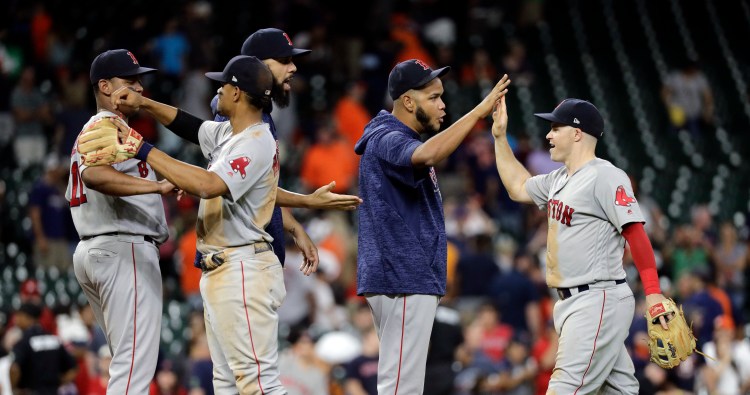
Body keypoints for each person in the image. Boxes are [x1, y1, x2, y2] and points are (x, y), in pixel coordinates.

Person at [109, 54, 288, 394]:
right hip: (225, 268)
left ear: (236, 93)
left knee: (258, 384)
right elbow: (188, 125)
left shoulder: (256, 140)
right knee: (227, 384)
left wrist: (142, 149)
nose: (217, 90)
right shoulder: (230, 133)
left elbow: (207, 185)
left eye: (223, 84)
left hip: (243, 269)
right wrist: (144, 103)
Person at [490, 96, 672, 393]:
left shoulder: (606, 176)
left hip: (597, 298)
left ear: (577, 133)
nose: (548, 135)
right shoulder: (559, 178)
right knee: (620, 390)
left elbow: (636, 233)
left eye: (555, 128)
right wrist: (499, 138)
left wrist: (653, 294)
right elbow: (518, 187)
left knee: (564, 388)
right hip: (574, 302)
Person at [354, 58, 510, 394]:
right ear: (408, 102)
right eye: (434, 97)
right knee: (400, 385)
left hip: (406, 276)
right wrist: (478, 112)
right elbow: (424, 155)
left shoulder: (396, 137)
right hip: (403, 275)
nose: (443, 105)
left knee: (403, 382)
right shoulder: (385, 136)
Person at [203, 27, 362, 275]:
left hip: (248, 259)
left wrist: (294, 227)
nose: (293, 68)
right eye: (284, 61)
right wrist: (307, 202)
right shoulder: (238, 119)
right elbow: (234, 186)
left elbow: (257, 188)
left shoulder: (259, 116)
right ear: (256, 68)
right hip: (241, 260)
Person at [66, 48, 174, 395]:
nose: (140, 87)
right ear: (105, 86)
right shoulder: (106, 125)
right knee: (132, 371)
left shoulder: (105, 128)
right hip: (122, 247)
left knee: (125, 366)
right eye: (130, 80)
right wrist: (157, 185)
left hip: (98, 248)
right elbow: (96, 175)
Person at [9, 303, 78, 395]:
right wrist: (59, 382)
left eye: (19, 315)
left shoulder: (24, 341)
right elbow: (73, 368)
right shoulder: (54, 339)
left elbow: (14, 369)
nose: (16, 319)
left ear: (28, 318)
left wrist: (14, 390)